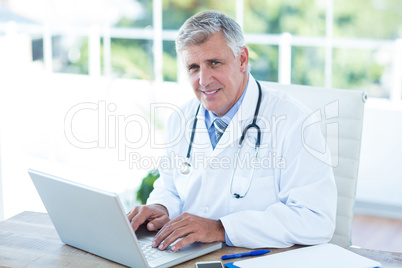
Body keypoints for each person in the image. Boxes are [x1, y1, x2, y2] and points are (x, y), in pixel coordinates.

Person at [127, 10, 337, 251]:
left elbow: (316, 219)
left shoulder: (294, 122)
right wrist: (161, 208)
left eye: (214, 63)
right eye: (193, 68)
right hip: (190, 256)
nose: (204, 81)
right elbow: (170, 188)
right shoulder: (181, 118)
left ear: (242, 60)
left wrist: (220, 228)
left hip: (260, 259)